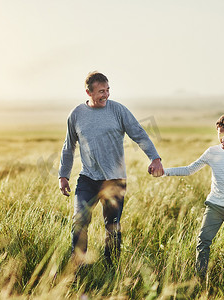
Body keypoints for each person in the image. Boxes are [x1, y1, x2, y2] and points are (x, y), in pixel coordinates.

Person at [58, 71, 164, 266]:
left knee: (112, 227)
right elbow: (68, 146)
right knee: (79, 222)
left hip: (115, 179)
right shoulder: (76, 115)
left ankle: (111, 268)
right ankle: (77, 266)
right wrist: (63, 176)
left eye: (107, 90)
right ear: (88, 92)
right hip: (88, 179)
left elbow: (139, 134)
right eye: (100, 91)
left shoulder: (118, 110)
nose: (105, 95)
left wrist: (155, 158)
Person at [159, 113, 224, 280]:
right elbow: (190, 169)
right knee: (203, 241)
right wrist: (164, 172)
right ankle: (200, 278)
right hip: (214, 206)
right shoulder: (212, 152)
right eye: (220, 134)